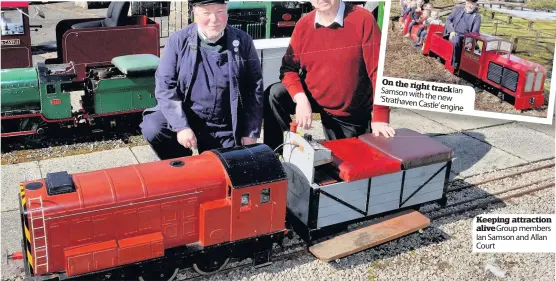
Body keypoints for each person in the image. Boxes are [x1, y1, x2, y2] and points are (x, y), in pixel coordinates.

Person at [263, 0, 395, 153]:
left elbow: (379, 71)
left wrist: (380, 117)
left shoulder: (363, 19)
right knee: (274, 95)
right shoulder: (303, 24)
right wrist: (300, 99)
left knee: (345, 166)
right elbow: (288, 69)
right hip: (315, 95)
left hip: (349, 110)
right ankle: (277, 156)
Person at [140, 0, 263, 160]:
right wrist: (181, 126)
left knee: (228, 170)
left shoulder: (243, 41)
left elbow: (254, 88)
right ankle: (181, 163)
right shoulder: (178, 41)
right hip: (186, 113)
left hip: (223, 122)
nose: (214, 19)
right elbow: (165, 86)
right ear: (195, 14)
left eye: (220, 11)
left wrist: (250, 132)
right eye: (206, 13)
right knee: (153, 127)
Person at [443, 0, 481, 69]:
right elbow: (448, 19)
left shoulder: (477, 16)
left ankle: (467, 68)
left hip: (466, 37)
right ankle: (455, 63)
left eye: (472, 4)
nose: (469, 6)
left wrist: (469, 42)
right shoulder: (458, 10)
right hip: (454, 33)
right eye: (468, 3)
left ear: (475, 5)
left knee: (476, 50)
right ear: (466, 2)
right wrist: (451, 31)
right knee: (455, 40)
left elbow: (475, 31)